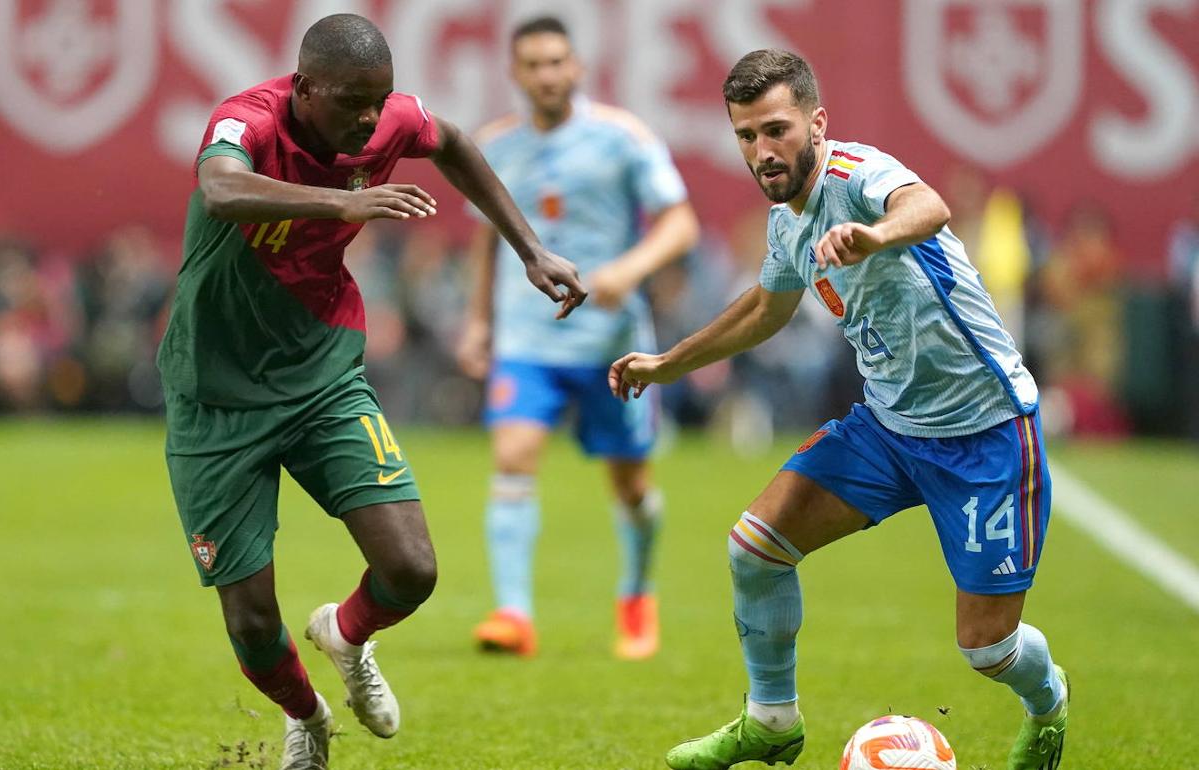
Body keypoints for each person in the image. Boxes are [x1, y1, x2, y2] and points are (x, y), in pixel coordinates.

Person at [609, 50, 1068, 770]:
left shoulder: (857, 176)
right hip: (887, 428)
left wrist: (877, 235)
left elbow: (929, 206)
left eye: (777, 130)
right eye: (746, 136)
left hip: (986, 431)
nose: (763, 151)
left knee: (987, 649)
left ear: (817, 123)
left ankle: (1047, 706)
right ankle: (770, 723)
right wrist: (668, 363)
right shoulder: (787, 224)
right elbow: (765, 309)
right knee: (755, 547)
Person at [156, 14, 585, 770]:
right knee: (253, 623)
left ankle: (346, 636)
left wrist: (530, 248)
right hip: (214, 396)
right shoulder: (244, 120)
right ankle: (309, 718)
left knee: (412, 570)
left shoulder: (386, 121)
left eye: (378, 101)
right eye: (353, 101)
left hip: (321, 376)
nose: (369, 117)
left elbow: (450, 142)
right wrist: (343, 204)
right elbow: (221, 190)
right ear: (304, 87)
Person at [455, 15, 699, 659]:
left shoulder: (622, 138)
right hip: (526, 340)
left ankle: (637, 595)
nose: (546, 75)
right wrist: (479, 321)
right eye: (532, 64)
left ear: (578, 68)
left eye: (556, 62)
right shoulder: (493, 146)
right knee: (512, 458)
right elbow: (485, 241)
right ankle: (513, 614)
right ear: (514, 73)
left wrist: (630, 269)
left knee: (632, 487)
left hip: (611, 345)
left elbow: (680, 224)